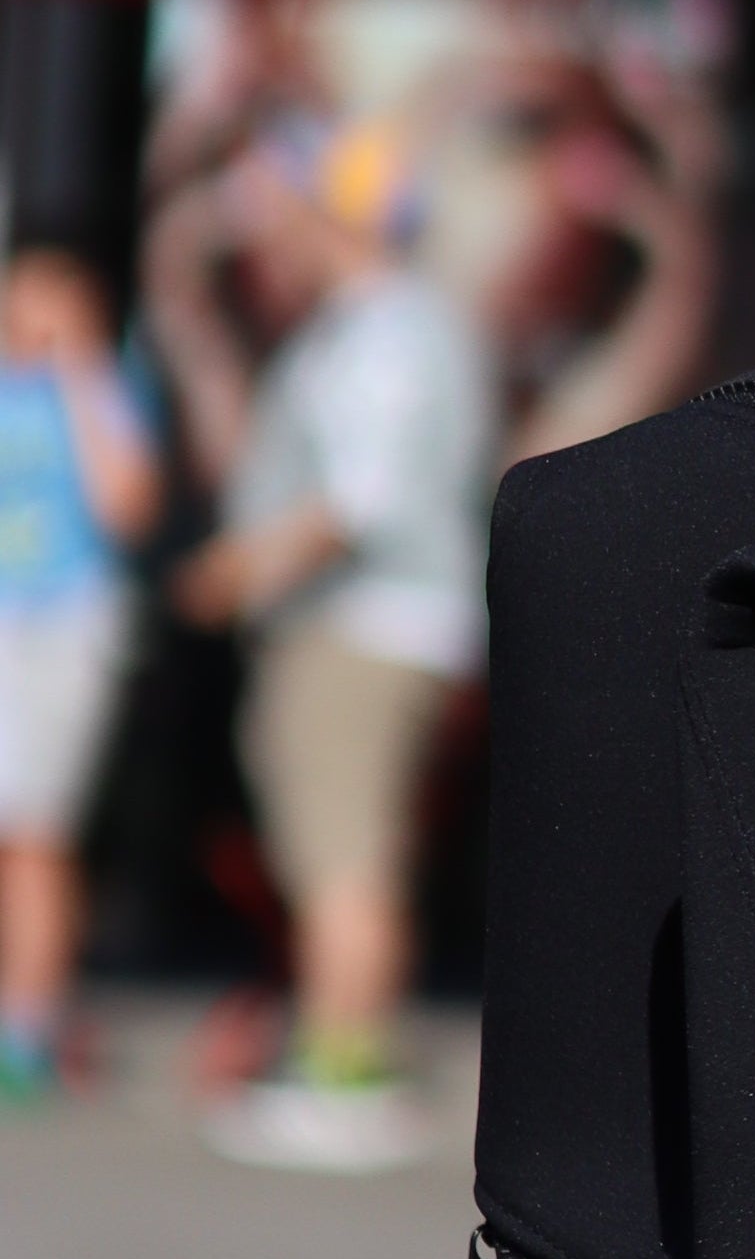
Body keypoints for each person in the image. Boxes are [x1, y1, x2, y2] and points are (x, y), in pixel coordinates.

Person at [147, 120, 498, 1174]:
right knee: (339, 851)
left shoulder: (387, 329)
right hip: (368, 623)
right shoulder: (379, 323)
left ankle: (347, 1073)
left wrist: (235, 570)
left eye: (289, 205)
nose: (273, 230)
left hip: (365, 623)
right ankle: (332, 1053)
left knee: (345, 855)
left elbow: (356, 497)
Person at [0, 246, 158, 1103]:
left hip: (62, 623)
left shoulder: (105, 387)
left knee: (35, 832)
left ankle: (26, 1026)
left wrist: (79, 367)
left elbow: (127, 502)